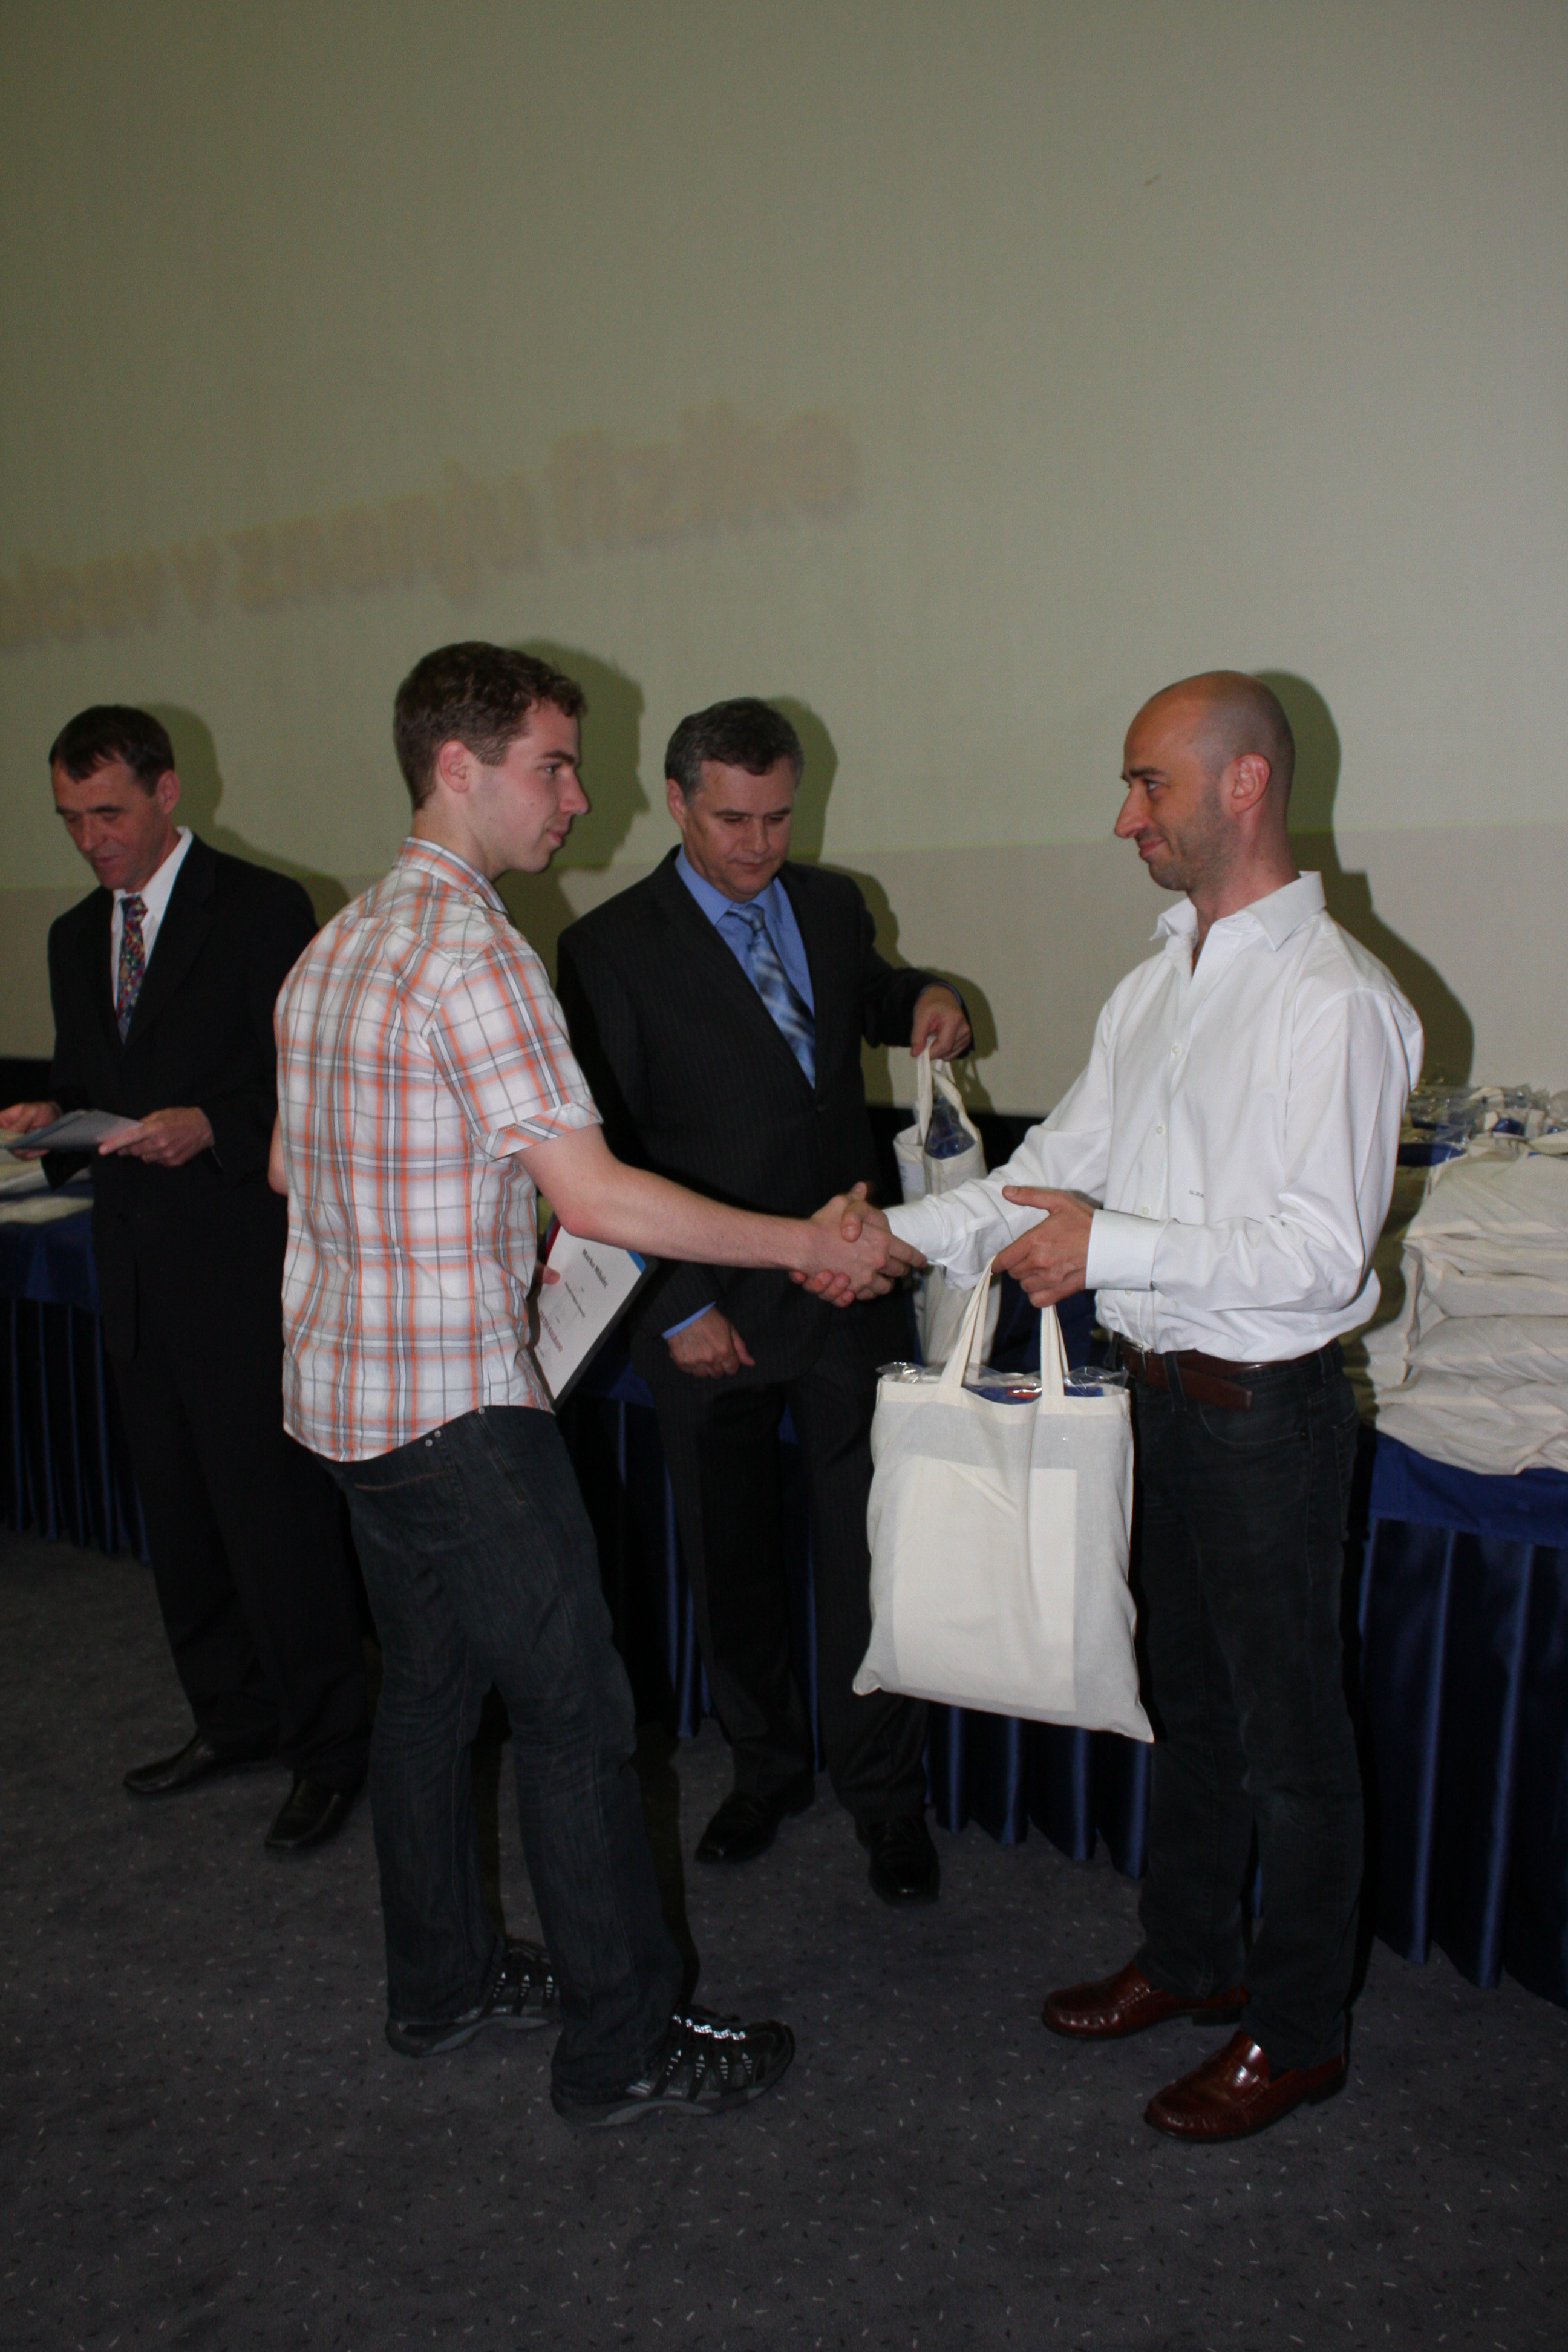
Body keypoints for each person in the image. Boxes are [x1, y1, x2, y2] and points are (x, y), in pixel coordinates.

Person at [271, 642, 913, 2122]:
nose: (578, 798)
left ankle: (439, 1983)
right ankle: (623, 2039)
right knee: (577, 1717)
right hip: (457, 1413)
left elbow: (293, 1174)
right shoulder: (474, 950)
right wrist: (802, 1241)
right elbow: (602, 1196)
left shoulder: (342, 940)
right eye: (554, 767)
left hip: (350, 1403)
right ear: (459, 768)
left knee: (429, 1697)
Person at [836, 672, 1422, 2140]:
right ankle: (1194, 1956)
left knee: (1294, 1742)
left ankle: (1300, 2034)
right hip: (1159, 1402)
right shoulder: (1157, 983)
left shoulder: (1337, 1000)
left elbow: (1318, 1257)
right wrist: (884, 1239)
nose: (1124, 817)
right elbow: (1051, 1174)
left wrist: (1109, 1250)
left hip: (1267, 1415)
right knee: (1194, 1709)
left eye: (1148, 783)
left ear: (1243, 784)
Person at [555, 698, 972, 1905]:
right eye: (732, 819)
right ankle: (766, 1770)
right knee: (728, 1555)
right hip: (710, 1305)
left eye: (778, 817)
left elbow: (866, 995)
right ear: (679, 803)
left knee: (869, 1554)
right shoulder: (609, 949)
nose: (757, 844)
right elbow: (606, 1146)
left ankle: (885, 1798)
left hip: (847, 1283)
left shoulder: (832, 903)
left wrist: (923, 998)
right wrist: (675, 1305)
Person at [1, 706, 368, 1854]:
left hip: (241, 1272)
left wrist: (211, 1125)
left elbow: (312, 1093)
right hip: (134, 1278)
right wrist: (50, 1115)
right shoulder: (76, 935)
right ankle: (232, 1717)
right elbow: (89, 1082)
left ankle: (329, 1750)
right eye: (69, 820)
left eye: (108, 813)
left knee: (277, 1528)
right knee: (184, 1525)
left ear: (167, 793)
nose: (91, 840)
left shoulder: (262, 909)